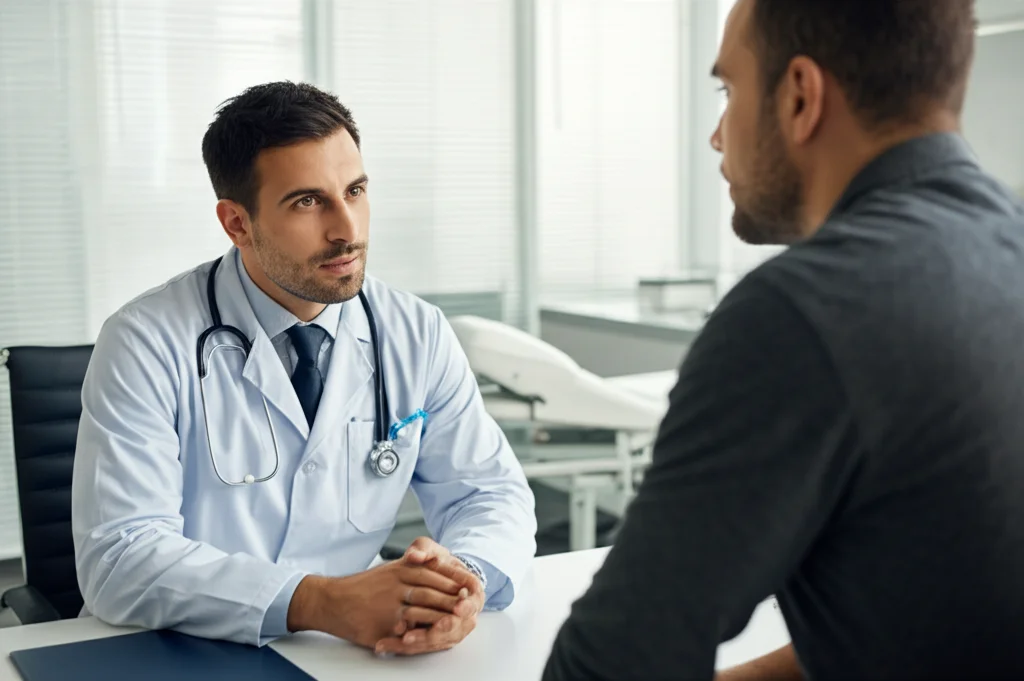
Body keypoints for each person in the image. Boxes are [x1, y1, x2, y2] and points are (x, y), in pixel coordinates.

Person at [543, 0, 1024, 679]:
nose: (716, 135)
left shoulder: (802, 312)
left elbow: (608, 667)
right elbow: (916, 617)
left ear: (800, 96)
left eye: (728, 89)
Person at [71, 81, 537, 657]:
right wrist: (320, 601)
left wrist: (461, 581)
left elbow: (487, 495)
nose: (349, 229)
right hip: (178, 646)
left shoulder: (415, 332)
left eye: (356, 190)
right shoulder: (145, 341)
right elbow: (120, 556)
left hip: (355, 652)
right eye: (308, 202)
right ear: (237, 223)